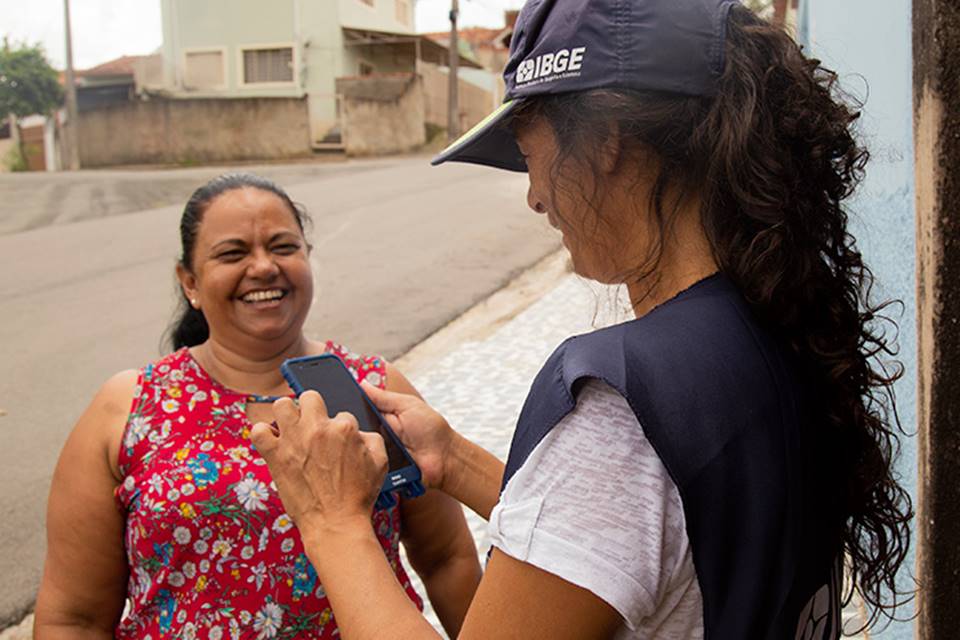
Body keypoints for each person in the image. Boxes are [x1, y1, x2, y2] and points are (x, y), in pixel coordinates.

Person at [250, 1, 914, 639]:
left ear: (606, 144)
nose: (535, 197)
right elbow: (625, 539)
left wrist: (332, 522)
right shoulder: (775, 323)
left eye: (532, 156)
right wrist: (451, 459)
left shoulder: (622, 404)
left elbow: (618, 491)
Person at [33, 173, 482, 639]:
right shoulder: (127, 408)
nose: (264, 267)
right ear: (189, 280)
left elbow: (447, 557)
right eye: (233, 253)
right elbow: (74, 617)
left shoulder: (375, 390)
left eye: (284, 247)